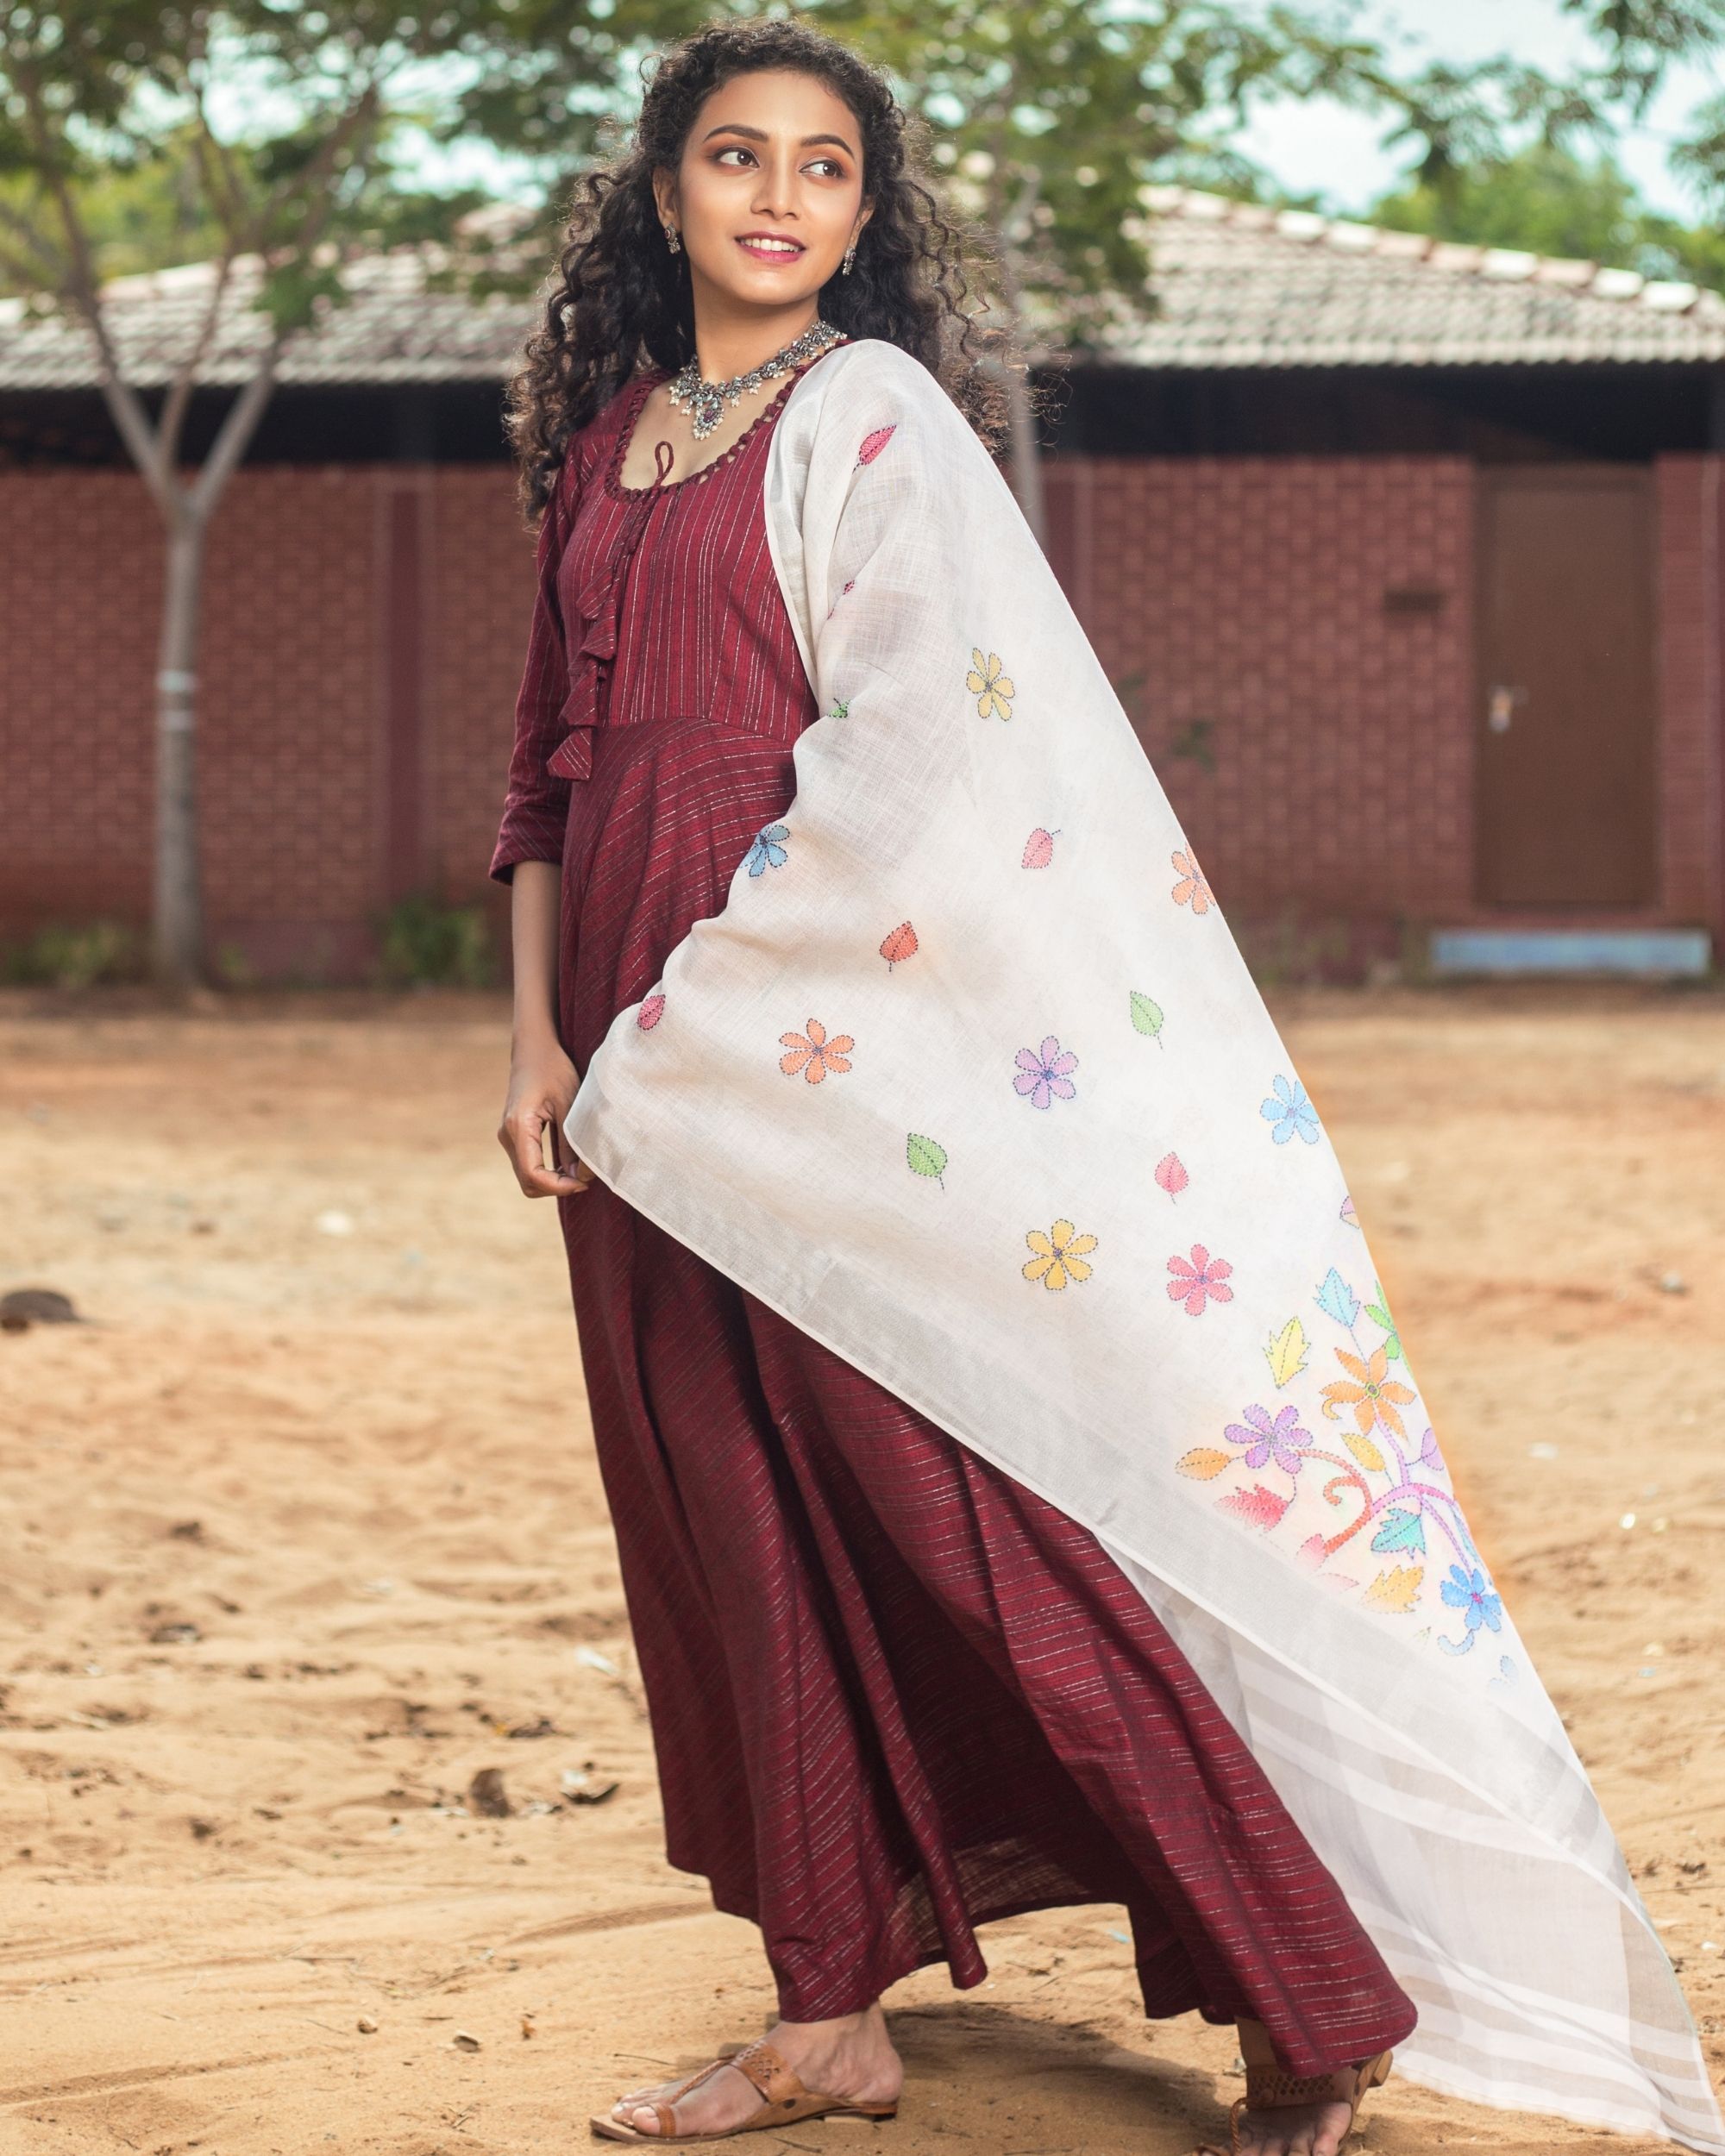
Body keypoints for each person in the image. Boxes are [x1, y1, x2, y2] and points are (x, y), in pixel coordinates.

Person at [492, 21, 1722, 2156]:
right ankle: (825, 2007)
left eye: (825, 169)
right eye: (732, 157)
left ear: (866, 218)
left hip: (806, 1054)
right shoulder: (608, 450)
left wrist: (714, 1009)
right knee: (722, 1507)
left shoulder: (865, 422)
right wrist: (539, 1035)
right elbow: (541, 778)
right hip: (630, 1078)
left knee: (951, 1499)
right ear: (661, 192)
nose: (779, 198)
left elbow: (930, 762)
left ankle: (1308, 1991)